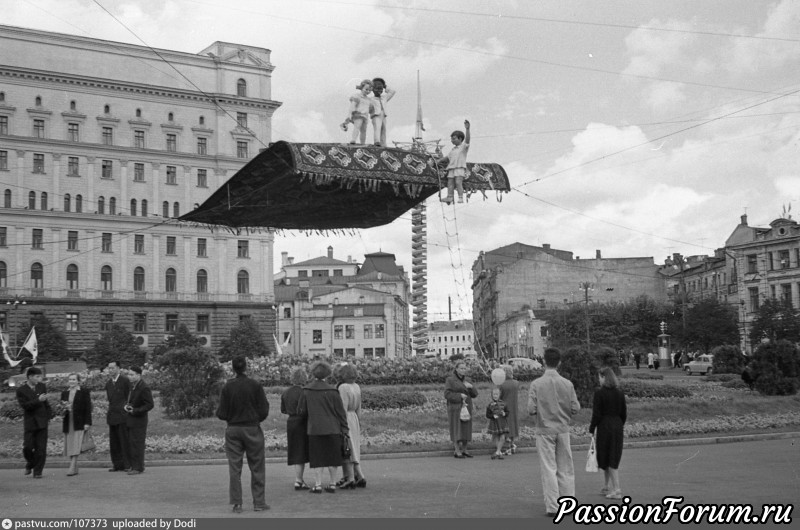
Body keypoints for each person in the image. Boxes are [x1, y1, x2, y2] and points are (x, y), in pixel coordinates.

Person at [527, 347, 580, 517]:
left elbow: (531, 409)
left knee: (549, 468)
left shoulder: (536, 384)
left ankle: (553, 507)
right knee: (565, 468)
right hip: (563, 429)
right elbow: (575, 408)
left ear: (544, 362)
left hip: (544, 429)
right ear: (559, 363)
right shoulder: (567, 383)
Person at [217, 356, 270, 513]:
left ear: (232, 368)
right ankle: (259, 502)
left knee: (235, 467)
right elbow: (264, 409)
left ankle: (237, 503)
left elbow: (221, 412)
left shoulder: (227, 387)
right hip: (252, 428)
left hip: (233, 429)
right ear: (246, 367)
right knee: (257, 467)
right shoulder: (255, 385)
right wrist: (255, 419)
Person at [297, 361, 350, 494]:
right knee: (333, 456)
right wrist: (345, 429)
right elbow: (341, 413)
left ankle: (318, 484)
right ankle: (332, 484)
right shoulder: (333, 391)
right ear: (328, 374)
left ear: (313, 373)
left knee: (317, 457)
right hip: (333, 427)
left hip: (314, 428)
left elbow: (301, 411)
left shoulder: (306, 390)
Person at [589, 367, 627, 500]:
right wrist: (618, 424)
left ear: (604, 377)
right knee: (612, 456)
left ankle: (617, 489)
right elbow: (624, 414)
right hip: (617, 425)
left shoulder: (599, 393)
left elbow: (597, 414)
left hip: (604, 426)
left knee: (607, 457)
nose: (599, 380)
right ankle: (606, 486)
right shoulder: (620, 393)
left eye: (600, 377)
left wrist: (592, 428)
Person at [16, 366, 51, 478]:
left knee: (41, 448)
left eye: (40, 376)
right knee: (27, 447)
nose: (40, 378)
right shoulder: (21, 390)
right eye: (37, 376)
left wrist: (48, 416)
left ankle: (38, 472)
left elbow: (46, 404)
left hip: (42, 421)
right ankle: (30, 463)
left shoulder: (41, 387)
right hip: (30, 423)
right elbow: (25, 406)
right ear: (30, 377)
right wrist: (38, 400)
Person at [280, 367, 310, 491]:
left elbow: (283, 409)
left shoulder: (286, 392)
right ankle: (298, 480)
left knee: (295, 449)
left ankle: (299, 478)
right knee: (301, 451)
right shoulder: (304, 392)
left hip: (291, 422)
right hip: (302, 422)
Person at [337, 363, 366, 488]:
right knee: (354, 447)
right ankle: (358, 475)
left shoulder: (343, 387)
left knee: (347, 448)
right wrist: (358, 421)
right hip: (354, 417)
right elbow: (359, 408)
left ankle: (351, 477)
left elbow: (342, 407)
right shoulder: (357, 386)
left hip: (346, 418)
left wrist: (340, 423)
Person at [444, 359, 478, 458]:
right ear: (456, 369)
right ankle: (457, 450)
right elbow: (447, 394)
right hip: (455, 408)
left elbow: (475, 394)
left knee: (466, 428)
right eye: (461, 368)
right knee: (456, 428)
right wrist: (459, 396)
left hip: (466, 407)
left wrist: (471, 387)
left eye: (464, 368)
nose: (463, 370)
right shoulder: (450, 380)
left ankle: (465, 449)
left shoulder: (468, 380)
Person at [61, 373, 92, 476]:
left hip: (79, 422)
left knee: (76, 444)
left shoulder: (84, 392)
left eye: (74, 379)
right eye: (70, 379)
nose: (71, 381)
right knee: (70, 444)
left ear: (78, 381)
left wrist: (87, 422)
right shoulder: (65, 393)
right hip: (68, 422)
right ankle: (75, 467)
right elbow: (61, 408)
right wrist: (64, 409)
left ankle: (71, 466)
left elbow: (88, 408)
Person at [124, 366, 153, 476]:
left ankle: (138, 467)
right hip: (132, 419)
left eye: (132, 375)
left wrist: (136, 410)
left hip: (139, 420)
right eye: (129, 374)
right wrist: (127, 407)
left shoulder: (144, 387)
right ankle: (134, 466)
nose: (129, 377)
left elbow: (150, 404)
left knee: (137, 443)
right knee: (132, 443)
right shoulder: (134, 386)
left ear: (138, 375)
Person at [105, 360, 131, 472]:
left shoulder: (125, 381)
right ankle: (117, 464)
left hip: (122, 416)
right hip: (112, 417)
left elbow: (129, 397)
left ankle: (127, 465)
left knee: (124, 441)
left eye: (113, 368)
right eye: (109, 368)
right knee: (114, 442)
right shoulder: (108, 384)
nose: (110, 370)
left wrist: (126, 409)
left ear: (119, 368)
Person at [437, 120, 471, 204]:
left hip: (459, 168)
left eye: (454, 138)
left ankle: (460, 197)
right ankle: (450, 197)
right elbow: (447, 158)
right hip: (451, 168)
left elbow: (467, 140)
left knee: (458, 182)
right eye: (451, 139)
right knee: (450, 183)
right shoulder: (452, 150)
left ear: (460, 139)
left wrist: (467, 129)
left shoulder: (463, 147)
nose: (452, 140)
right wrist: (439, 161)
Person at [341, 79, 373, 145]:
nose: (368, 91)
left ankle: (362, 143)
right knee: (357, 126)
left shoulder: (369, 99)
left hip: (365, 116)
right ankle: (353, 139)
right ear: (362, 88)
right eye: (366, 89)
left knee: (364, 130)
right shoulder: (357, 96)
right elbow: (352, 106)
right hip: (358, 114)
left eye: (369, 90)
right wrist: (349, 114)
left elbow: (370, 108)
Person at [498, 365, 520, 455]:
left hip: (504, 407)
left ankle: (506, 445)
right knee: (513, 424)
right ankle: (512, 444)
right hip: (514, 406)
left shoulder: (501, 384)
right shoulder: (516, 383)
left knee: (505, 425)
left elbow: (498, 396)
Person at [369, 77, 395, 146]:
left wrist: (385, 86)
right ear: (373, 89)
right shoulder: (371, 99)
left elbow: (392, 91)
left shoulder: (384, 98)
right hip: (376, 115)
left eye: (380, 89)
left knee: (383, 129)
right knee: (377, 128)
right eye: (377, 88)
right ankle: (377, 141)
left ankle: (383, 143)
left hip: (383, 114)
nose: (379, 90)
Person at [486, 387, 509, 460]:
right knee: (496, 437)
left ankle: (497, 452)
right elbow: (487, 415)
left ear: (499, 395)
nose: (495, 396)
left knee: (502, 437)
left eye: (497, 394)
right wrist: (493, 416)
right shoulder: (490, 405)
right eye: (494, 394)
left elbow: (508, 412)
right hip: (494, 422)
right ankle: (499, 453)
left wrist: (504, 413)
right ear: (492, 395)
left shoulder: (504, 403)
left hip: (502, 422)